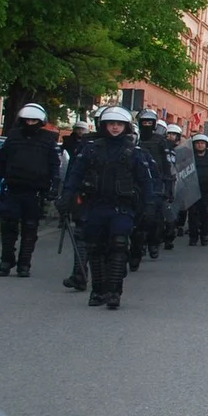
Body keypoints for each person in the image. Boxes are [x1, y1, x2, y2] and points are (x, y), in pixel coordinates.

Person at [57, 106, 154, 309]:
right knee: (95, 248)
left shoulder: (134, 152)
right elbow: (75, 174)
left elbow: (145, 181)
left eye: (119, 124)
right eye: (111, 124)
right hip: (95, 206)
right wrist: (66, 197)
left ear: (126, 126)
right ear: (104, 125)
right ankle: (98, 290)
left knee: (119, 246)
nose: (115, 127)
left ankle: (114, 292)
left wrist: (149, 206)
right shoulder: (91, 148)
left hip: (122, 207)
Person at [0, 103, 61, 278]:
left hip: (35, 192)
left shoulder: (48, 140)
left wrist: (54, 188)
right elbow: (1, 162)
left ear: (40, 121)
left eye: (34, 120)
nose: (30, 123)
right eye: (27, 119)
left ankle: (24, 263)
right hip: (13, 189)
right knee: (8, 227)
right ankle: (6, 260)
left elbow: (54, 166)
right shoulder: (13, 137)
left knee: (30, 229)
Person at [130, 109, 173, 265]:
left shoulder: (160, 141)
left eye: (150, 122)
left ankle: (154, 243)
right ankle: (137, 247)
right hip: (135, 182)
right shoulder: (135, 138)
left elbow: (167, 163)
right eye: (144, 122)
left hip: (156, 182)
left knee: (154, 218)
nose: (147, 124)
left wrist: (168, 185)